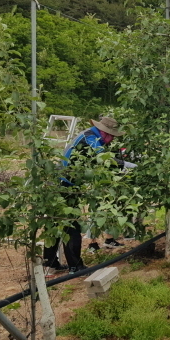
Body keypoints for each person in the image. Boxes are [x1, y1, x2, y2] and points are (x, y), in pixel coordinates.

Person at [43, 116, 126, 275]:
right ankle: (75, 267)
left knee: (56, 224)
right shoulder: (90, 138)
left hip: (62, 183)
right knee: (71, 225)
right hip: (63, 184)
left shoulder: (91, 136)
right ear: (105, 132)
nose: (112, 140)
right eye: (112, 136)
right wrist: (124, 164)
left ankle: (50, 263)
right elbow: (102, 159)